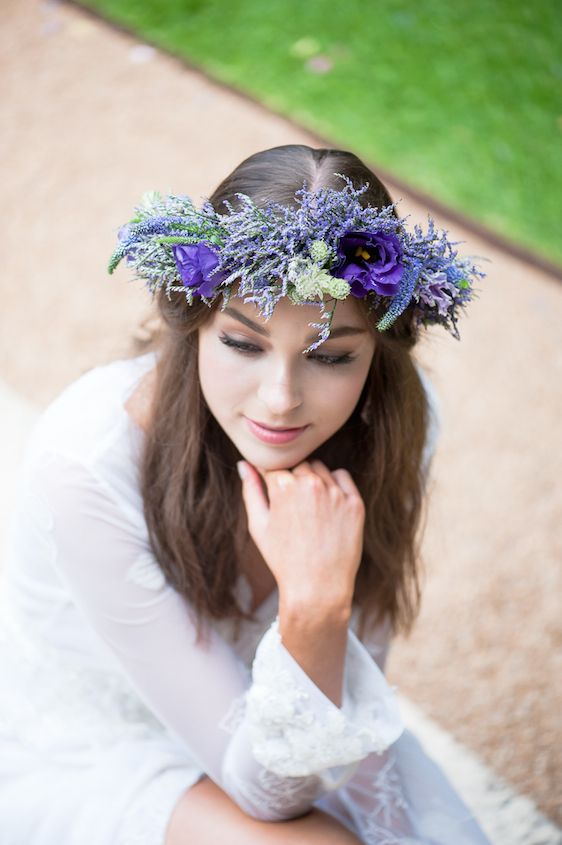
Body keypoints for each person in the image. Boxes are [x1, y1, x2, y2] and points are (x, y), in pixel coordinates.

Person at [0, 145, 490, 844]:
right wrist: (315, 608)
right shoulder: (87, 466)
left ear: (379, 351)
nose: (281, 399)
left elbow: (343, 709)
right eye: (242, 341)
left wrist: (320, 626)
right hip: (93, 745)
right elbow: (269, 796)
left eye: (330, 355)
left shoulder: (401, 424)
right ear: (195, 320)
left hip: (288, 707)